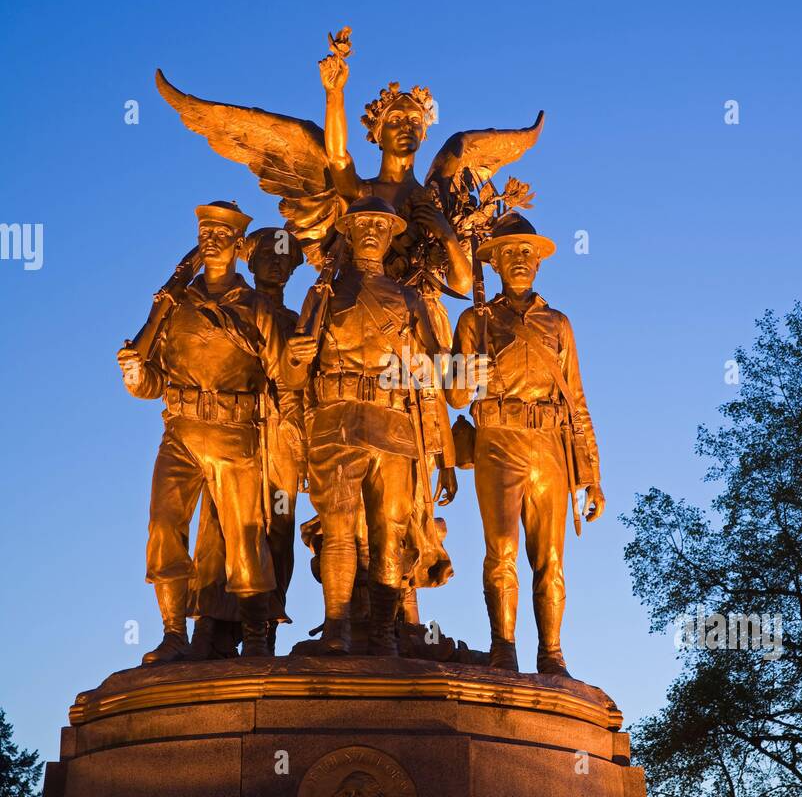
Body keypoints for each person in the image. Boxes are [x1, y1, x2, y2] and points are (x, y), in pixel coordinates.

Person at [116, 201, 315, 662]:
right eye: (206, 231)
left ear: (235, 243)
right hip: (180, 432)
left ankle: (258, 636)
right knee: (165, 527)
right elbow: (153, 384)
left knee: (246, 535)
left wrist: (295, 437)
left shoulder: (256, 309)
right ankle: (173, 635)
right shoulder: (175, 306)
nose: (212, 239)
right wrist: (132, 375)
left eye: (223, 233)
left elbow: (284, 379)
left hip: (235, 433)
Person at [292, 196, 457, 656]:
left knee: (390, 530)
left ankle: (385, 635)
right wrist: (295, 360)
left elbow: (433, 376)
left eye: (380, 226)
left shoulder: (409, 299)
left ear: (389, 236)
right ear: (348, 232)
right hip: (336, 420)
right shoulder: (322, 294)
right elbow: (292, 376)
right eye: (363, 224)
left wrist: (441, 451)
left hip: (394, 425)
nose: (371, 231)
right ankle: (336, 630)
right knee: (339, 528)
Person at [446, 212, 604, 676]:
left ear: (538, 263)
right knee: (501, 549)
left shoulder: (558, 323)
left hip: (550, 446)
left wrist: (591, 475)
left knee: (550, 558)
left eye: (527, 253)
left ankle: (551, 654)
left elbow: (577, 401)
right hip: (498, 439)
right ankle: (503, 648)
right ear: (493, 262)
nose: (520, 260)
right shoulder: (475, 319)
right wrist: (468, 371)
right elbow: (455, 396)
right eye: (509, 252)